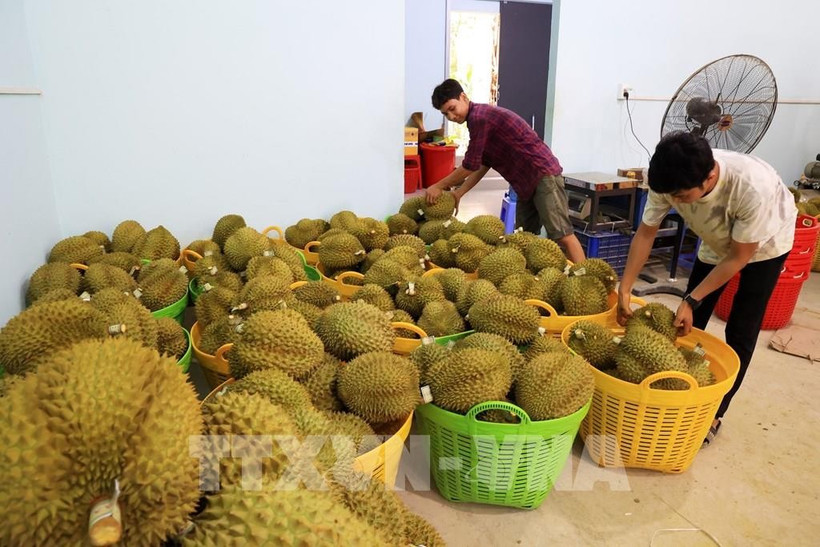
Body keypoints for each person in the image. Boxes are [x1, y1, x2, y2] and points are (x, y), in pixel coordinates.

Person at [617, 131, 796, 445]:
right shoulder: (669, 177)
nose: (675, 202)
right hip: (715, 239)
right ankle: (672, 391)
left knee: (741, 329)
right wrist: (625, 288)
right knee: (686, 324)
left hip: (764, 244)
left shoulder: (751, 187)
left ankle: (715, 412)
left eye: (682, 197)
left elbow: (741, 255)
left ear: (710, 176)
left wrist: (691, 298)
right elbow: (646, 234)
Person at [423, 79, 585, 263]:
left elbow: (469, 165)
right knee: (524, 238)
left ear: (463, 97)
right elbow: (483, 164)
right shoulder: (477, 120)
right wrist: (459, 193)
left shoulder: (480, 117)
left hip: (542, 174)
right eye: (445, 114)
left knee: (562, 234)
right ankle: (531, 282)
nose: (451, 116)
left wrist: (438, 185)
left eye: (452, 108)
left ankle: (586, 281)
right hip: (525, 182)